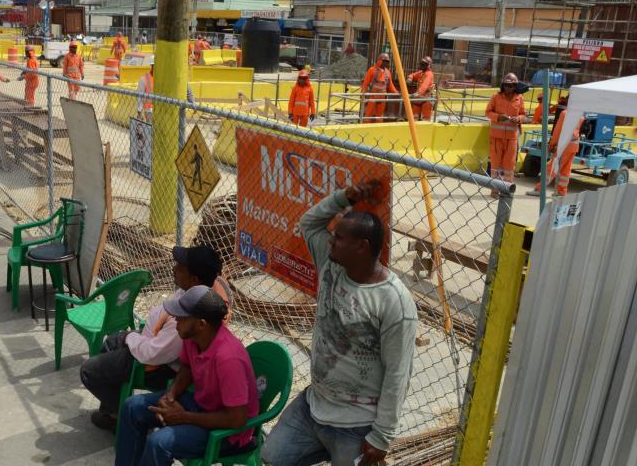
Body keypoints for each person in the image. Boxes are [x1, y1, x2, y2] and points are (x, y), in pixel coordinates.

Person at [262, 180, 418, 466]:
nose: (331, 241)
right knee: (272, 457)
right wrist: (345, 197)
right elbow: (308, 223)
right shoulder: (331, 263)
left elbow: (399, 374)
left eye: (339, 237)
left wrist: (381, 437)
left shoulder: (394, 302)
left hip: (356, 424)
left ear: (362, 246)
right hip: (314, 405)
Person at [81, 245, 227, 431]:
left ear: (194, 279)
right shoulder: (193, 293)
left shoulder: (186, 323)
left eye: (180, 268)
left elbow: (152, 354)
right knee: (110, 343)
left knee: (88, 371)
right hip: (149, 343)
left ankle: (123, 415)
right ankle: (112, 412)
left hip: (156, 364)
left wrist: (131, 339)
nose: (174, 269)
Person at [115, 285, 258, 466]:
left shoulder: (229, 358)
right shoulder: (192, 337)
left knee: (159, 442)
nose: (175, 319)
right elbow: (187, 368)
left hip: (228, 432)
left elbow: (237, 420)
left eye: (182, 317)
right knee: (132, 406)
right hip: (201, 405)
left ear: (201, 324)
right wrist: (171, 394)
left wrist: (184, 416)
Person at [526, 109, 583, 198]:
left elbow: (558, 130)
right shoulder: (580, 114)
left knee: (552, 167)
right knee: (565, 169)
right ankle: (561, 191)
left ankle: (540, 189)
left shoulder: (565, 113)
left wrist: (552, 144)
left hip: (564, 144)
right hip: (574, 145)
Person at [485, 73, 526, 192]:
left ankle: (506, 189)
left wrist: (518, 119)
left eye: (511, 86)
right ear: (503, 86)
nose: (509, 88)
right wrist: (498, 117)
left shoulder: (520, 98)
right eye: (507, 85)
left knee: (509, 165)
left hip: (512, 138)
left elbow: (523, 115)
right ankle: (495, 190)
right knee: (495, 164)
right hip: (496, 138)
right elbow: (488, 112)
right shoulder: (495, 97)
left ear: (515, 86)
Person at [361, 53, 398, 123]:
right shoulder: (372, 70)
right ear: (379, 60)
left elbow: (390, 85)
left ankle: (377, 128)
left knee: (380, 116)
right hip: (373, 97)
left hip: (382, 99)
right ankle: (365, 128)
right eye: (384, 61)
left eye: (387, 62)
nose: (386, 63)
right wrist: (363, 93)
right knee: (368, 114)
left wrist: (397, 93)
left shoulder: (387, 72)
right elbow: (365, 83)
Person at [406, 56, 434, 121]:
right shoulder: (421, 73)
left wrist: (418, 93)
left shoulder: (429, 74)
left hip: (426, 100)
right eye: (421, 63)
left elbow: (425, 85)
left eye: (424, 64)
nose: (421, 65)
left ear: (428, 66)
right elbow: (413, 75)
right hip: (419, 99)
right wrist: (410, 78)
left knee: (425, 119)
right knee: (414, 118)